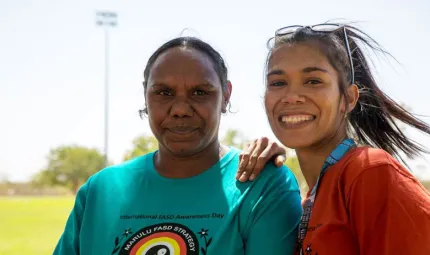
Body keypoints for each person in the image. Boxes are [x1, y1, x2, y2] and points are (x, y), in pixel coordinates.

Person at [53, 36, 302, 255]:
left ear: (225, 96)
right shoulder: (101, 191)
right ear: (145, 95)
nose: (181, 109)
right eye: (163, 93)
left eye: (200, 92)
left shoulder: (262, 186)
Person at [239, 23, 430, 254]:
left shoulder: (369, 172)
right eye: (278, 83)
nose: (292, 97)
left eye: (313, 81)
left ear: (348, 98)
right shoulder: (310, 200)